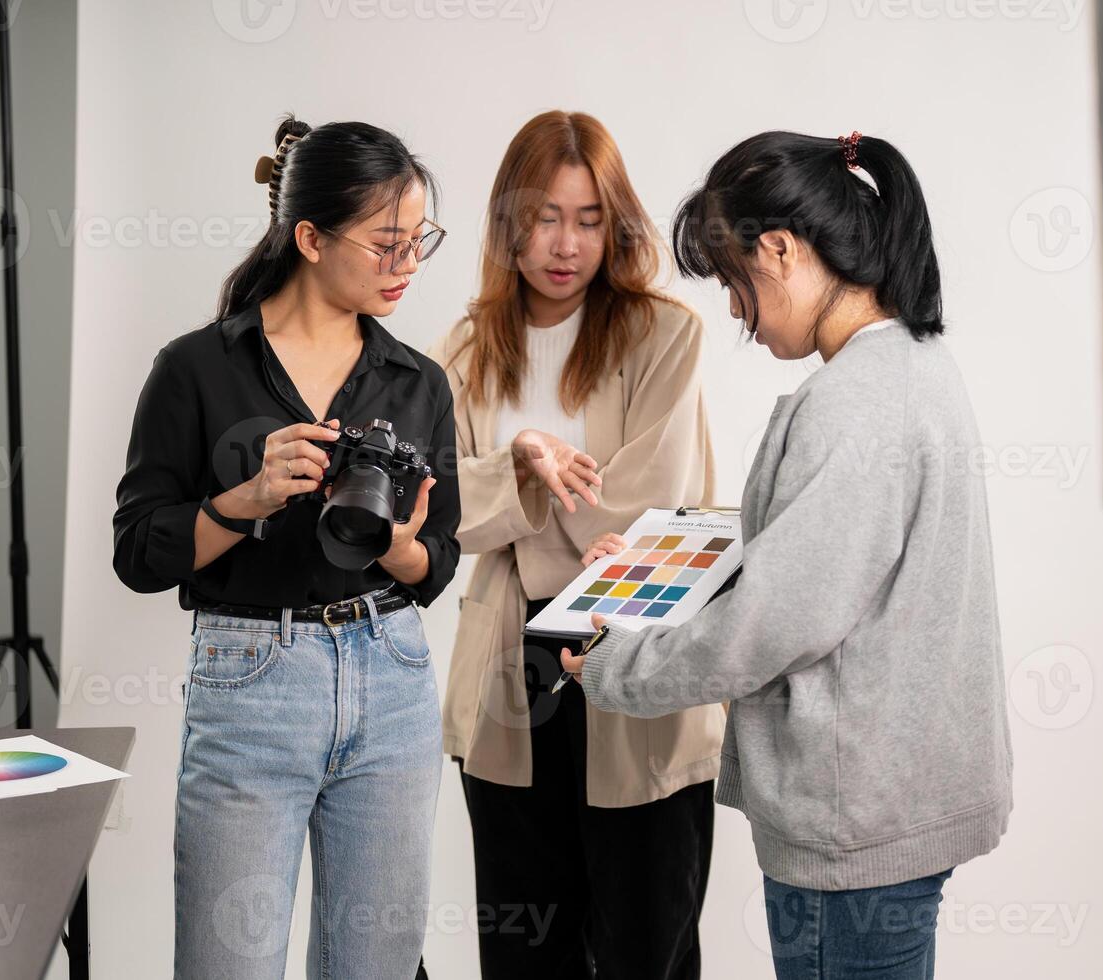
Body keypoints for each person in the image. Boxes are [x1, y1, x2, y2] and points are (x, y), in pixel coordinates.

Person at [560, 130, 1013, 980]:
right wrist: (671, 551)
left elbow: (775, 621)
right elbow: (832, 546)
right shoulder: (916, 365)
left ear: (779, 249)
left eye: (734, 282)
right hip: (898, 803)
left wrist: (618, 670)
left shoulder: (854, 401)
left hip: (851, 824)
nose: (734, 310)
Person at [112, 115, 460, 980]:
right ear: (309, 237)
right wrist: (245, 499)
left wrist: (400, 548)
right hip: (250, 678)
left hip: (393, 674)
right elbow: (137, 554)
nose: (407, 264)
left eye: (419, 241)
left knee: (376, 965)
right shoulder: (196, 368)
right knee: (228, 964)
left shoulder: (418, 380)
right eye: (385, 243)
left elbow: (437, 562)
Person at [427, 110, 723, 979]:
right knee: (525, 948)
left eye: (590, 219)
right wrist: (524, 480)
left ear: (615, 224)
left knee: (646, 943)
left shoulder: (666, 333)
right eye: (546, 217)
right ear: (508, 226)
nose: (566, 244)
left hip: (634, 651)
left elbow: (651, 501)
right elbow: (442, 513)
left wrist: (513, 500)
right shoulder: (463, 350)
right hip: (508, 675)